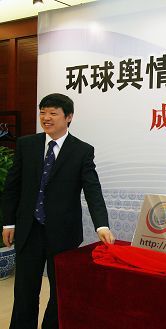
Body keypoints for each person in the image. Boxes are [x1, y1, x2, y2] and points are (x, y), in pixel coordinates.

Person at [1, 93, 115, 329]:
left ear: (69, 117)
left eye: (53, 113)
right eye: (43, 112)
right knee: (24, 292)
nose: (46, 118)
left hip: (63, 233)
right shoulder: (27, 144)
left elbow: (92, 189)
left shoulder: (82, 151)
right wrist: (9, 223)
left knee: (60, 291)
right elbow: (12, 186)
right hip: (29, 230)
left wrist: (101, 225)